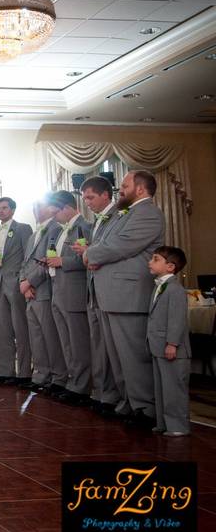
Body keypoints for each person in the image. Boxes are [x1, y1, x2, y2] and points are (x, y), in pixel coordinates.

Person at [84, 170, 165, 430]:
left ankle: (145, 408)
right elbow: (108, 241)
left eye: (125, 185)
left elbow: (120, 245)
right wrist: (95, 253)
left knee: (132, 356)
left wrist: (90, 255)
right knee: (117, 356)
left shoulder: (148, 212)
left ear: (140, 189)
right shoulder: (123, 213)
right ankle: (128, 402)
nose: (121, 189)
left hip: (129, 294)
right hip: (111, 294)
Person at [74, 176, 123, 417]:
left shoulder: (118, 216)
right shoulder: (96, 221)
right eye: (85, 199)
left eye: (91, 197)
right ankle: (103, 393)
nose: (88, 203)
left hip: (111, 290)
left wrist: (89, 254)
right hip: (94, 290)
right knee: (99, 347)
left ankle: (115, 396)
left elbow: (111, 250)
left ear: (106, 195)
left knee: (114, 348)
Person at [46, 190, 92, 406]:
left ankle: (82, 386)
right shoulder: (58, 230)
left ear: (67, 208)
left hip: (74, 291)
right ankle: (72, 381)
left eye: (56, 212)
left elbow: (88, 259)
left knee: (78, 341)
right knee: (65, 341)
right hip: (57, 288)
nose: (53, 216)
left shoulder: (85, 226)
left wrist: (63, 262)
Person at [18, 196, 66, 393]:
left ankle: (58, 377)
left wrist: (30, 281)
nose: (35, 209)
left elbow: (48, 260)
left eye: (39, 205)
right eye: (33, 205)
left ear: (51, 208)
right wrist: (23, 282)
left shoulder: (55, 228)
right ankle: (41, 375)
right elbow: (25, 261)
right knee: (36, 337)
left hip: (44, 289)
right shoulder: (33, 233)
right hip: (30, 292)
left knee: (49, 337)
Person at [147, 246, 191, 437]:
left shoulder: (175, 289)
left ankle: (178, 426)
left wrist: (172, 343)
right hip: (158, 346)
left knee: (174, 388)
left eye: (155, 259)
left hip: (172, 348)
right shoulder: (159, 286)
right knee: (161, 387)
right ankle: (163, 423)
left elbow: (176, 319)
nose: (150, 262)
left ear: (170, 266)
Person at [0, 197, 33, 385]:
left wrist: (23, 279)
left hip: (16, 284)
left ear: (13, 210)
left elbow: (27, 256)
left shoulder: (23, 228)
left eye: (5, 208)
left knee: (20, 329)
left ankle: (24, 372)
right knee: (3, 330)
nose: (1, 211)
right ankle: (7, 372)